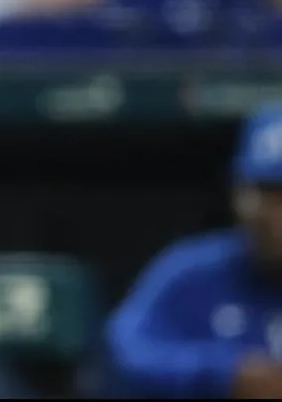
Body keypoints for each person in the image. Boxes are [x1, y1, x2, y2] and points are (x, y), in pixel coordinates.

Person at [104, 103, 282, 398]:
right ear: (237, 193)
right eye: (266, 192)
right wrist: (225, 375)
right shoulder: (192, 271)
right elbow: (122, 352)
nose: (277, 216)